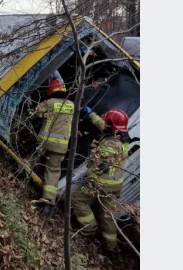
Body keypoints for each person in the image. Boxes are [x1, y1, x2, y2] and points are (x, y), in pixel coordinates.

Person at [72, 106, 131, 252]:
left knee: (77, 198)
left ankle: (90, 228)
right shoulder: (122, 137)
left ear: (112, 125)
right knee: (106, 215)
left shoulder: (111, 143)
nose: (104, 123)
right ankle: (112, 247)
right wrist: (91, 114)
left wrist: (87, 178)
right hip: (115, 187)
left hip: (100, 185)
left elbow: (100, 167)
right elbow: (103, 125)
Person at [32, 77, 75, 205]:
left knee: (33, 157)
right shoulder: (71, 105)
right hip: (61, 146)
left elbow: (36, 113)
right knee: (53, 170)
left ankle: (19, 173)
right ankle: (48, 200)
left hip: (44, 142)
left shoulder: (50, 102)